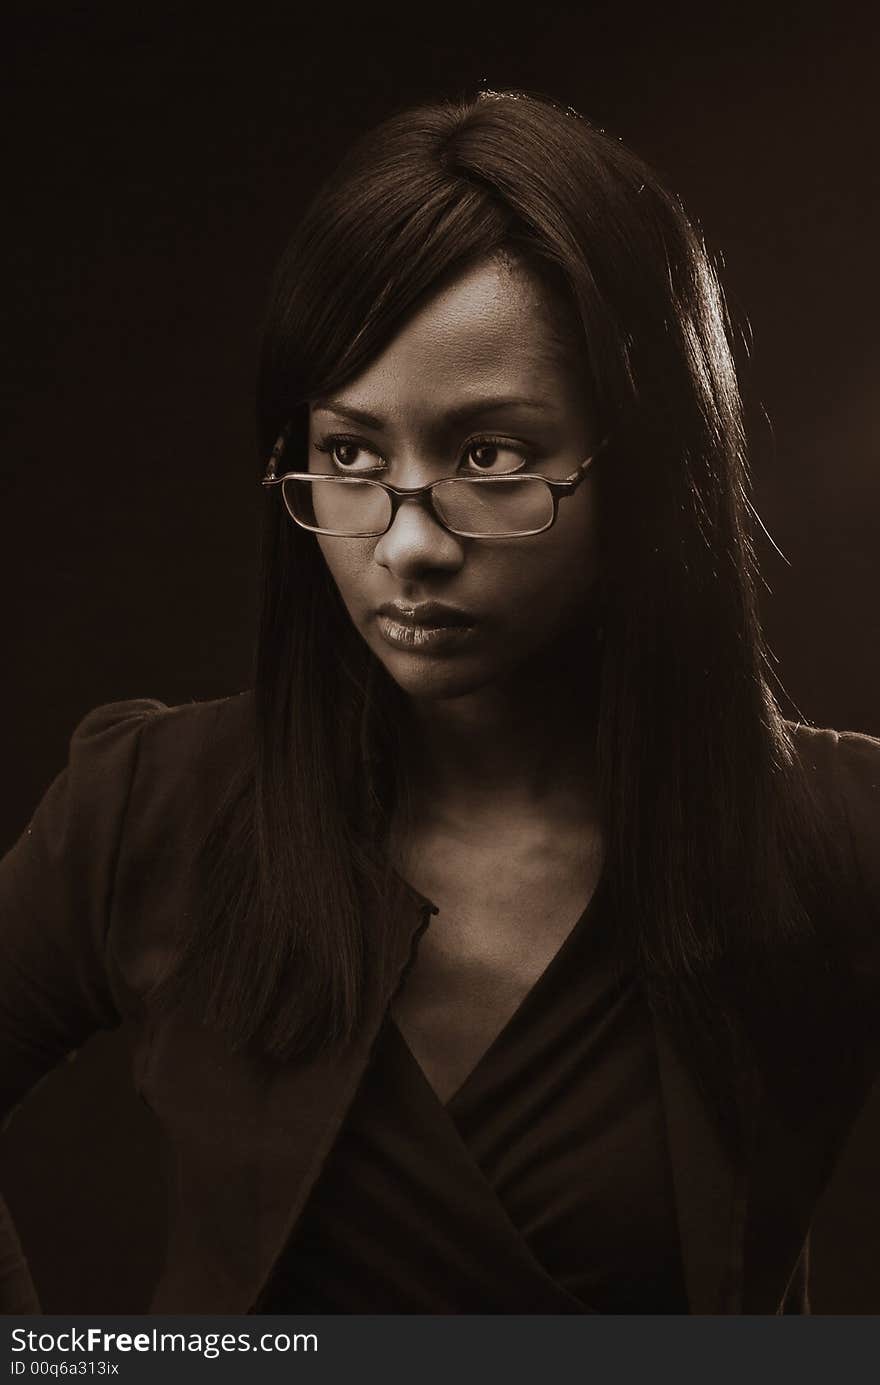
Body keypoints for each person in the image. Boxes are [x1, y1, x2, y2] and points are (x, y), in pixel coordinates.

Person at [1, 89, 878, 1317]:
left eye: (489, 456)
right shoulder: (152, 805)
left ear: (645, 463)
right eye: (352, 454)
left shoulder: (836, 839)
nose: (406, 544)